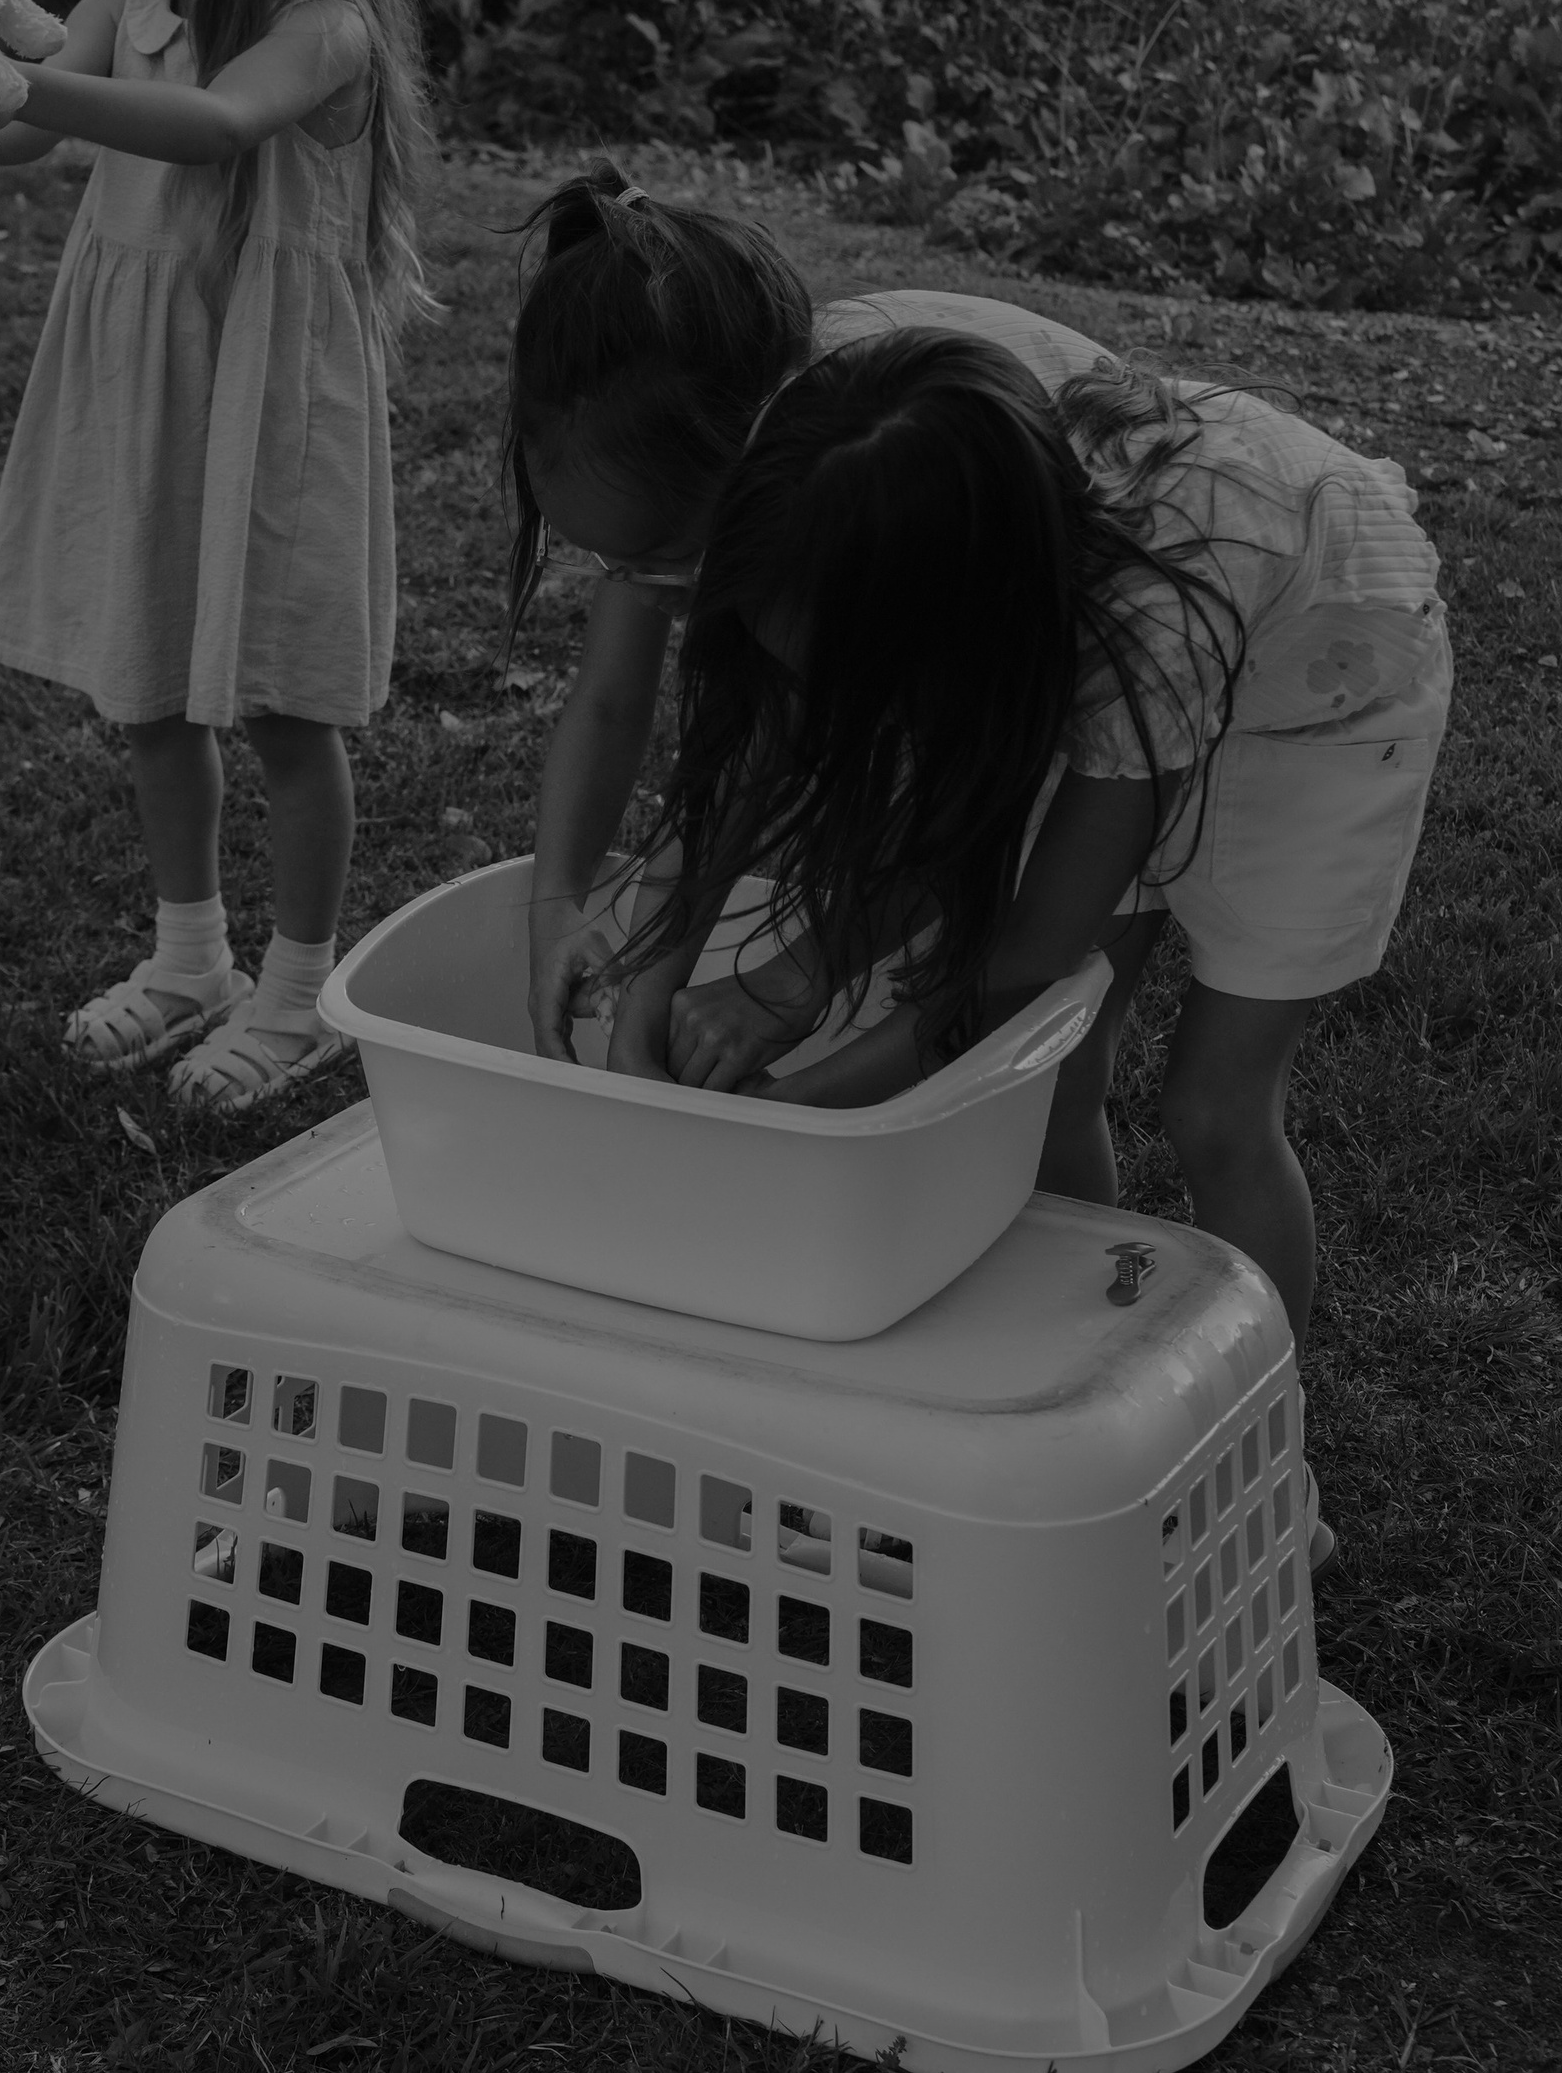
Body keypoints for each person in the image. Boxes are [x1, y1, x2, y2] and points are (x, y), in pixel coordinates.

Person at [508, 173, 1448, 1423]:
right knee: (1054, 1072)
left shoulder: (1106, 611)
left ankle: (1264, 1453)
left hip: (1326, 671)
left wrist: (792, 1094)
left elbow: (1017, 962)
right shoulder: (830, 458)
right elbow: (795, 746)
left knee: (1213, 1102)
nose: (649, 593)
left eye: (661, 565)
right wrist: (660, 964)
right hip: (1099, 628)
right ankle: (1076, 1392)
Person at [0, 0, 433, 1109]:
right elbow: (22, 136)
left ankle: (299, 990)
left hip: (268, 391)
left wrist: (23, 78)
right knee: (149, 686)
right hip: (147, 388)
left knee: (279, 702)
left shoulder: (324, 28)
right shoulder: (114, 7)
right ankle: (190, 956)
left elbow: (213, 126)